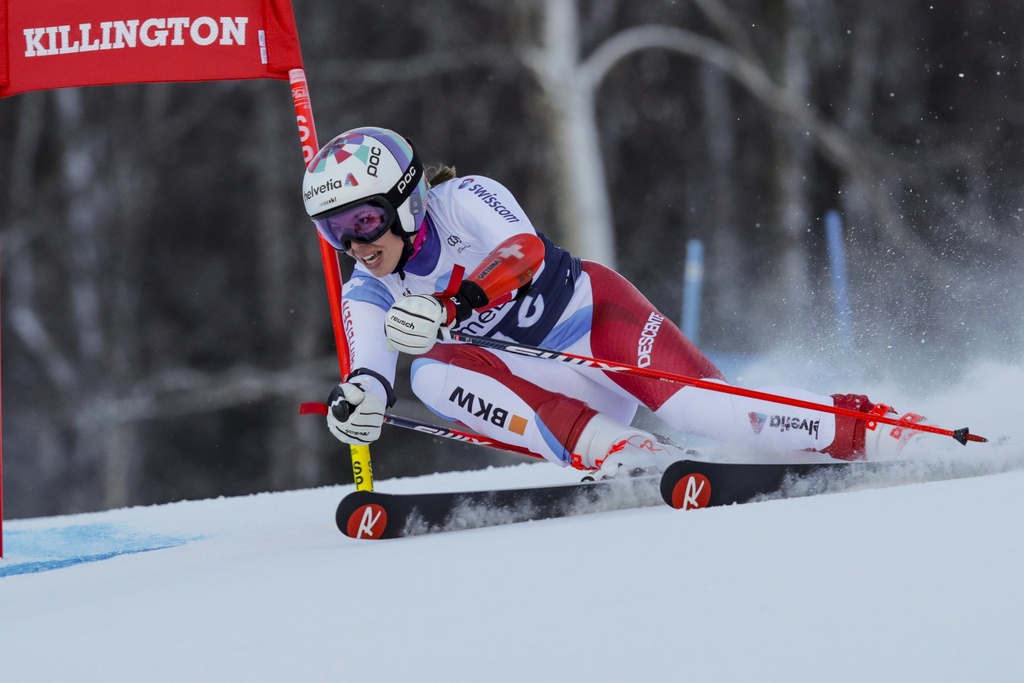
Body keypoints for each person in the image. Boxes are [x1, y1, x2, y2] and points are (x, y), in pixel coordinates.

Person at [302, 126, 925, 476]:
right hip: (549, 386)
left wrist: (450, 306)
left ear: (407, 201)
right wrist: (358, 405)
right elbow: (369, 371)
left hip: (597, 321)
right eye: (334, 231)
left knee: (711, 413)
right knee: (431, 374)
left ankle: (879, 433)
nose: (354, 244)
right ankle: (623, 453)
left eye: (363, 219)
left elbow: (525, 253)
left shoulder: (465, 198)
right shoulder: (370, 287)